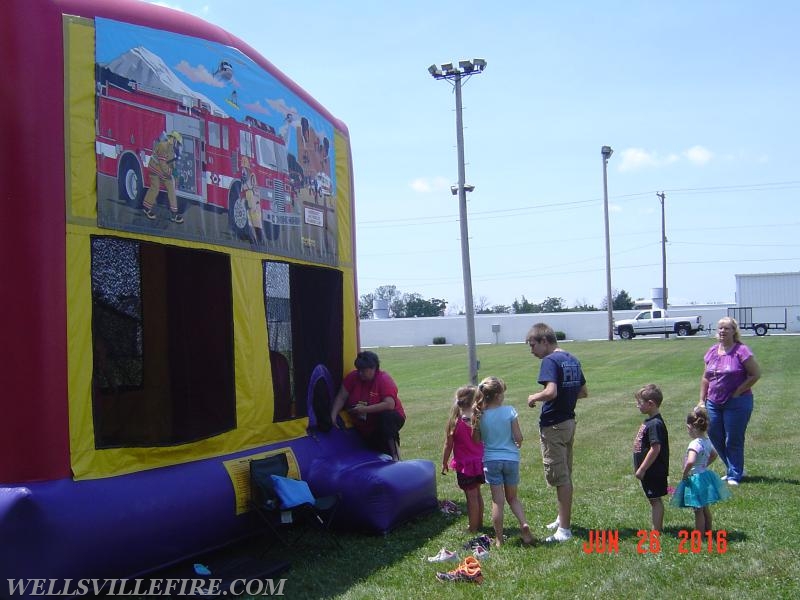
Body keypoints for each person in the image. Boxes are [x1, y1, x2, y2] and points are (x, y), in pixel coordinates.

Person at [526, 322, 587, 543]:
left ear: (545, 341)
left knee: (559, 477)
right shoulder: (572, 359)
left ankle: (564, 530)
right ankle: (562, 518)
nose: (532, 350)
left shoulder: (550, 360)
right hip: (569, 422)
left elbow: (550, 392)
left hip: (554, 425)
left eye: (533, 345)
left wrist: (534, 397)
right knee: (565, 472)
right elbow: (582, 391)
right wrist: (565, 396)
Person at [471, 376, 533, 547]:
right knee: (512, 497)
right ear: (498, 395)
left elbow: (476, 440)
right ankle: (524, 524)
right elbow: (519, 437)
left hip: (491, 461)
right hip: (511, 459)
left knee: (498, 501)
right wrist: (517, 443)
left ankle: (499, 539)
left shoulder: (480, 415)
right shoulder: (510, 411)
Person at [699, 316, 761, 486]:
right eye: (720, 328)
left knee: (733, 438)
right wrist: (701, 400)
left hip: (737, 402)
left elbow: (755, 374)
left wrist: (738, 391)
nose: (722, 331)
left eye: (727, 328)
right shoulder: (712, 351)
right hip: (713, 401)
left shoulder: (741, 351)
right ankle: (732, 467)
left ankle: (735, 474)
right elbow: (706, 378)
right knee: (714, 435)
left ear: (734, 331)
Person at [330, 351, 405, 461]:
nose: (360, 373)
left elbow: (389, 404)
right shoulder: (352, 378)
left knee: (386, 418)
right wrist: (333, 415)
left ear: (374, 368)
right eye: (359, 370)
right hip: (365, 425)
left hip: (388, 418)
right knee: (376, 448)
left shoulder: (383, 379)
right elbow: (341, 397)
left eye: (364, 370)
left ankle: (395, 456)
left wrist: (364, 409)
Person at [671, 405, 731, 531]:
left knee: (698, 510)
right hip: (705, 476)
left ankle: (700, 536)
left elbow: (690, 461)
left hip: (695, 479)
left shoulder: (694, 443)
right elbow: (714, 454)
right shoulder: (707, 441)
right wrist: (704, 465)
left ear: (690, 427)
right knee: (704, 507)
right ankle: (708, 531)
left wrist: (685, 473)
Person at [441, 385, 485, 534]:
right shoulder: (478, 420)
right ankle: (479, 524)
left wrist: (444, 462)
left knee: (471, 497)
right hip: (480, 463)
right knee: (477, 494)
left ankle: (472, 528)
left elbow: (448, 445)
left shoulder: (454, 422)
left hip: (465, 466)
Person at [632, 384, 670, 532]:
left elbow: (656, 448)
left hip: (653, 471)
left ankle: (656, 530)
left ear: (650, 404)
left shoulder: (655, 424)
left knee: (655, 500)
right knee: (653, 499)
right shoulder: (651, 421)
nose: (637, 406)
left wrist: (642, 469)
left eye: (639, 403)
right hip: (650, 471)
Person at [142, 130, 184, 224]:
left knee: (171, 189)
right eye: (177, 142)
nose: (178, 145)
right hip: (155, 169)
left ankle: (174, 214)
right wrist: (171, 172)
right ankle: (146, 208)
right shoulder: (163, 146)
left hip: (163, 172)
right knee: (155, 188)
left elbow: (170, 163)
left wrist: (175, 173)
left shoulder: (172, 149)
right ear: (173, 139)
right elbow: (162, 163)